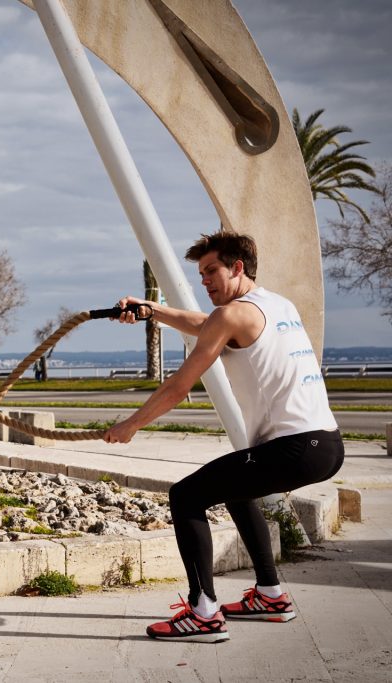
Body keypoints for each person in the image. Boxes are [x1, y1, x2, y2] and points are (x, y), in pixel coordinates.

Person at [104, 230, 342, 643]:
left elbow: (179, 386)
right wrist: (153, 311)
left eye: (211, 270)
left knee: (186, 495)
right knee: (236, 488)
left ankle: (204, 614)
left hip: (297, 448)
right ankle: (270, 596)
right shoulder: (275, 304)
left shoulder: (230, 315)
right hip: (327, 444)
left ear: (237, 267)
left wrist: (132, 424)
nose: (204, 281)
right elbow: (206, 324)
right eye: (200, 274)